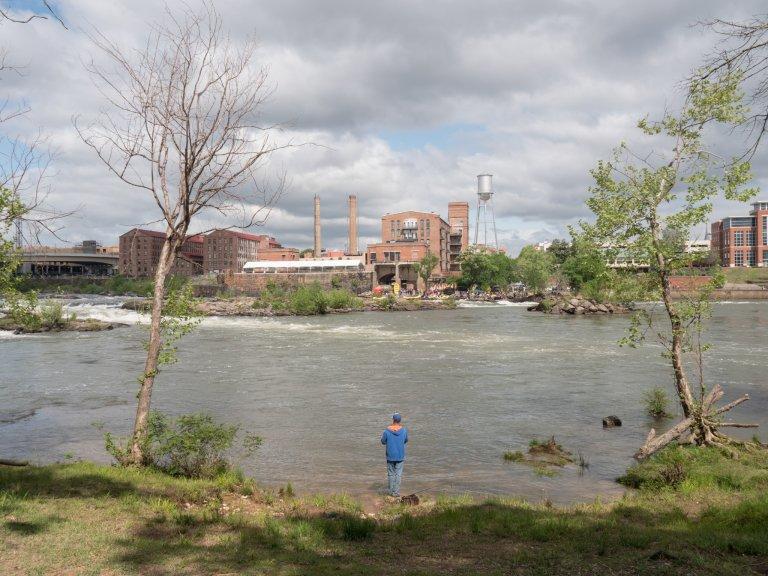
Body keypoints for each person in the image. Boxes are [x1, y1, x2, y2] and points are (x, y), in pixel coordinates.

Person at [380, 412, 408, 498]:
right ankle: (396, 492)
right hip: (400, 456)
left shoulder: (386, 431)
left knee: (391, 474)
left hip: (390, 456)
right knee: (398, 474)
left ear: (393, 420)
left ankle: (391, 492)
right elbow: (406, 440)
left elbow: (383, 441)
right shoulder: (404, 431)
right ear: (400, 420)